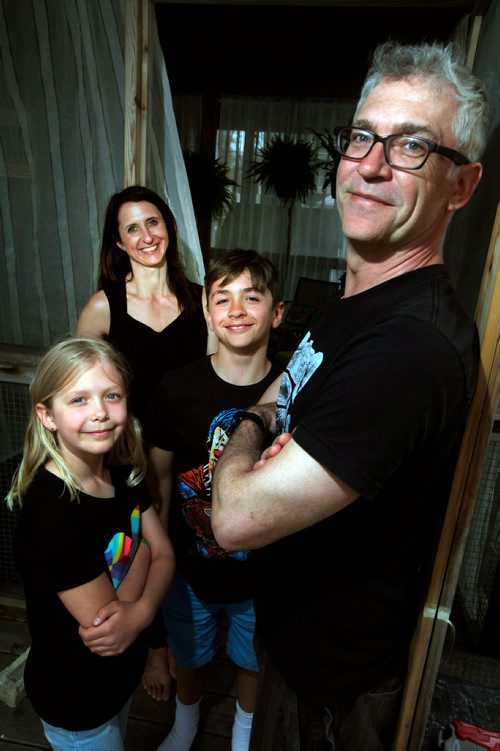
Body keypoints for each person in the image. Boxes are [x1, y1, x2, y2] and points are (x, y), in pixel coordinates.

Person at [211, 41, 487, 750]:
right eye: (362, 134)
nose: (369, 163)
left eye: (412, 146)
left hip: (329, 694)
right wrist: (264, 430)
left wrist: (245, 432)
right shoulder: (354, 297)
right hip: (290, 641)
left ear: (462, 186)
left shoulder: (410, 346)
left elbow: (236, 517)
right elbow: (288, 385)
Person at [77, 184, 215, 699]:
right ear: (118, 242)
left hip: (189, 455)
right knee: (135, 555)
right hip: (126, 457)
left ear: (169, 228)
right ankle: (154, 648)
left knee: (185, 547)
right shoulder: (103, 306)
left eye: (153, 222)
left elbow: (218, 377)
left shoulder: (201, 301)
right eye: (131, 227)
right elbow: (81, 386)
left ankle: (184, 641)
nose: (145, 235)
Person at [144, 250, 284, 751]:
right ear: (206, 312)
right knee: (192, 654)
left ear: (278, 311)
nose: (237, 309)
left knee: (252, 659)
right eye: (222, 298)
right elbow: (157, 481)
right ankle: (184, 729)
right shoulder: (176, 388)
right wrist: (153, 559)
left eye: (252, 296)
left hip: (263, 573)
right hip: (189, 569)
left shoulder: (293, 393)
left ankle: (243, 736)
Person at [7, 337, 174, 751]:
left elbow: (166, 553)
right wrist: (146, 554)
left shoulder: (121, 472)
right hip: (76, 701)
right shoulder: (52, 515)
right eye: (78, 399)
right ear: (47, 416)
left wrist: (144, 608)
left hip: (118, 681)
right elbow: (109, 627)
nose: (99, 412)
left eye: (111, 395)